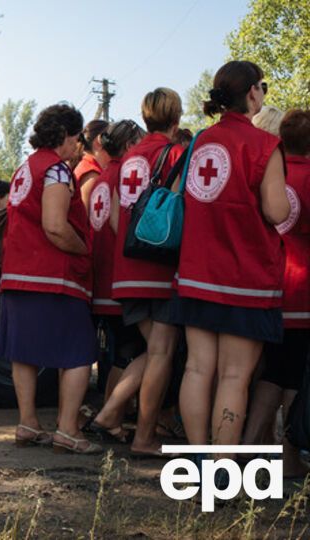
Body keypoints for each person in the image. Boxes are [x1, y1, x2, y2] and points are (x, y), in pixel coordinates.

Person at [175, 61, 289, 461]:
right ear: (254, 93)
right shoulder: (264, 146)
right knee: (235, 376)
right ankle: (223, 470)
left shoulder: (200, 141)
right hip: (245, 275)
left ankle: (197, 461)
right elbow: (276, 211)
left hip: (196, 271)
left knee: (196, 368)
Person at [0, 103, 101, 454]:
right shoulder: (56, 171)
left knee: (24, 352)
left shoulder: (24, 168)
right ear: (64, 135)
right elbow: (56, 227)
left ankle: (28, 423)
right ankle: (68, 429)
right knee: (78, 352)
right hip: (53, 277)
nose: (79, 146)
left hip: (17, 273)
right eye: (77, 138)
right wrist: (83, 249)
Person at [111, 88, 186, 457]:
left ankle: (110, 414)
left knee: (151, 350)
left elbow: (113, 217)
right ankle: (143, 438)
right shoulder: (174, 153)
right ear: (177, 117)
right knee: (162, 352)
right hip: (160, 271)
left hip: (126, 268)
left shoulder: (130, 157)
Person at [242, 109, 310, 477]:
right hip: (302, 292)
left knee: (271, 371)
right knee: (292, 376)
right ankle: (285, 454)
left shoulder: (272, 174)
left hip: (268, 285)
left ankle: (251, 446)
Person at [82, 120, 149, 442]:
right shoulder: (126, 175)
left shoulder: (100, 177)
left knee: (119, 353)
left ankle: (111, 416)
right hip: (118, 279)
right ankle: (111, 415)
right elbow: (120, 228)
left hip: (100, 278)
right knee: (130, 352)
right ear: (127, 145)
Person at [76, 119, 110, 203]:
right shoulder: (92, 175)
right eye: (111, 139)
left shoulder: (86, 165)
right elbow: (85, 215)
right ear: (99, 142)